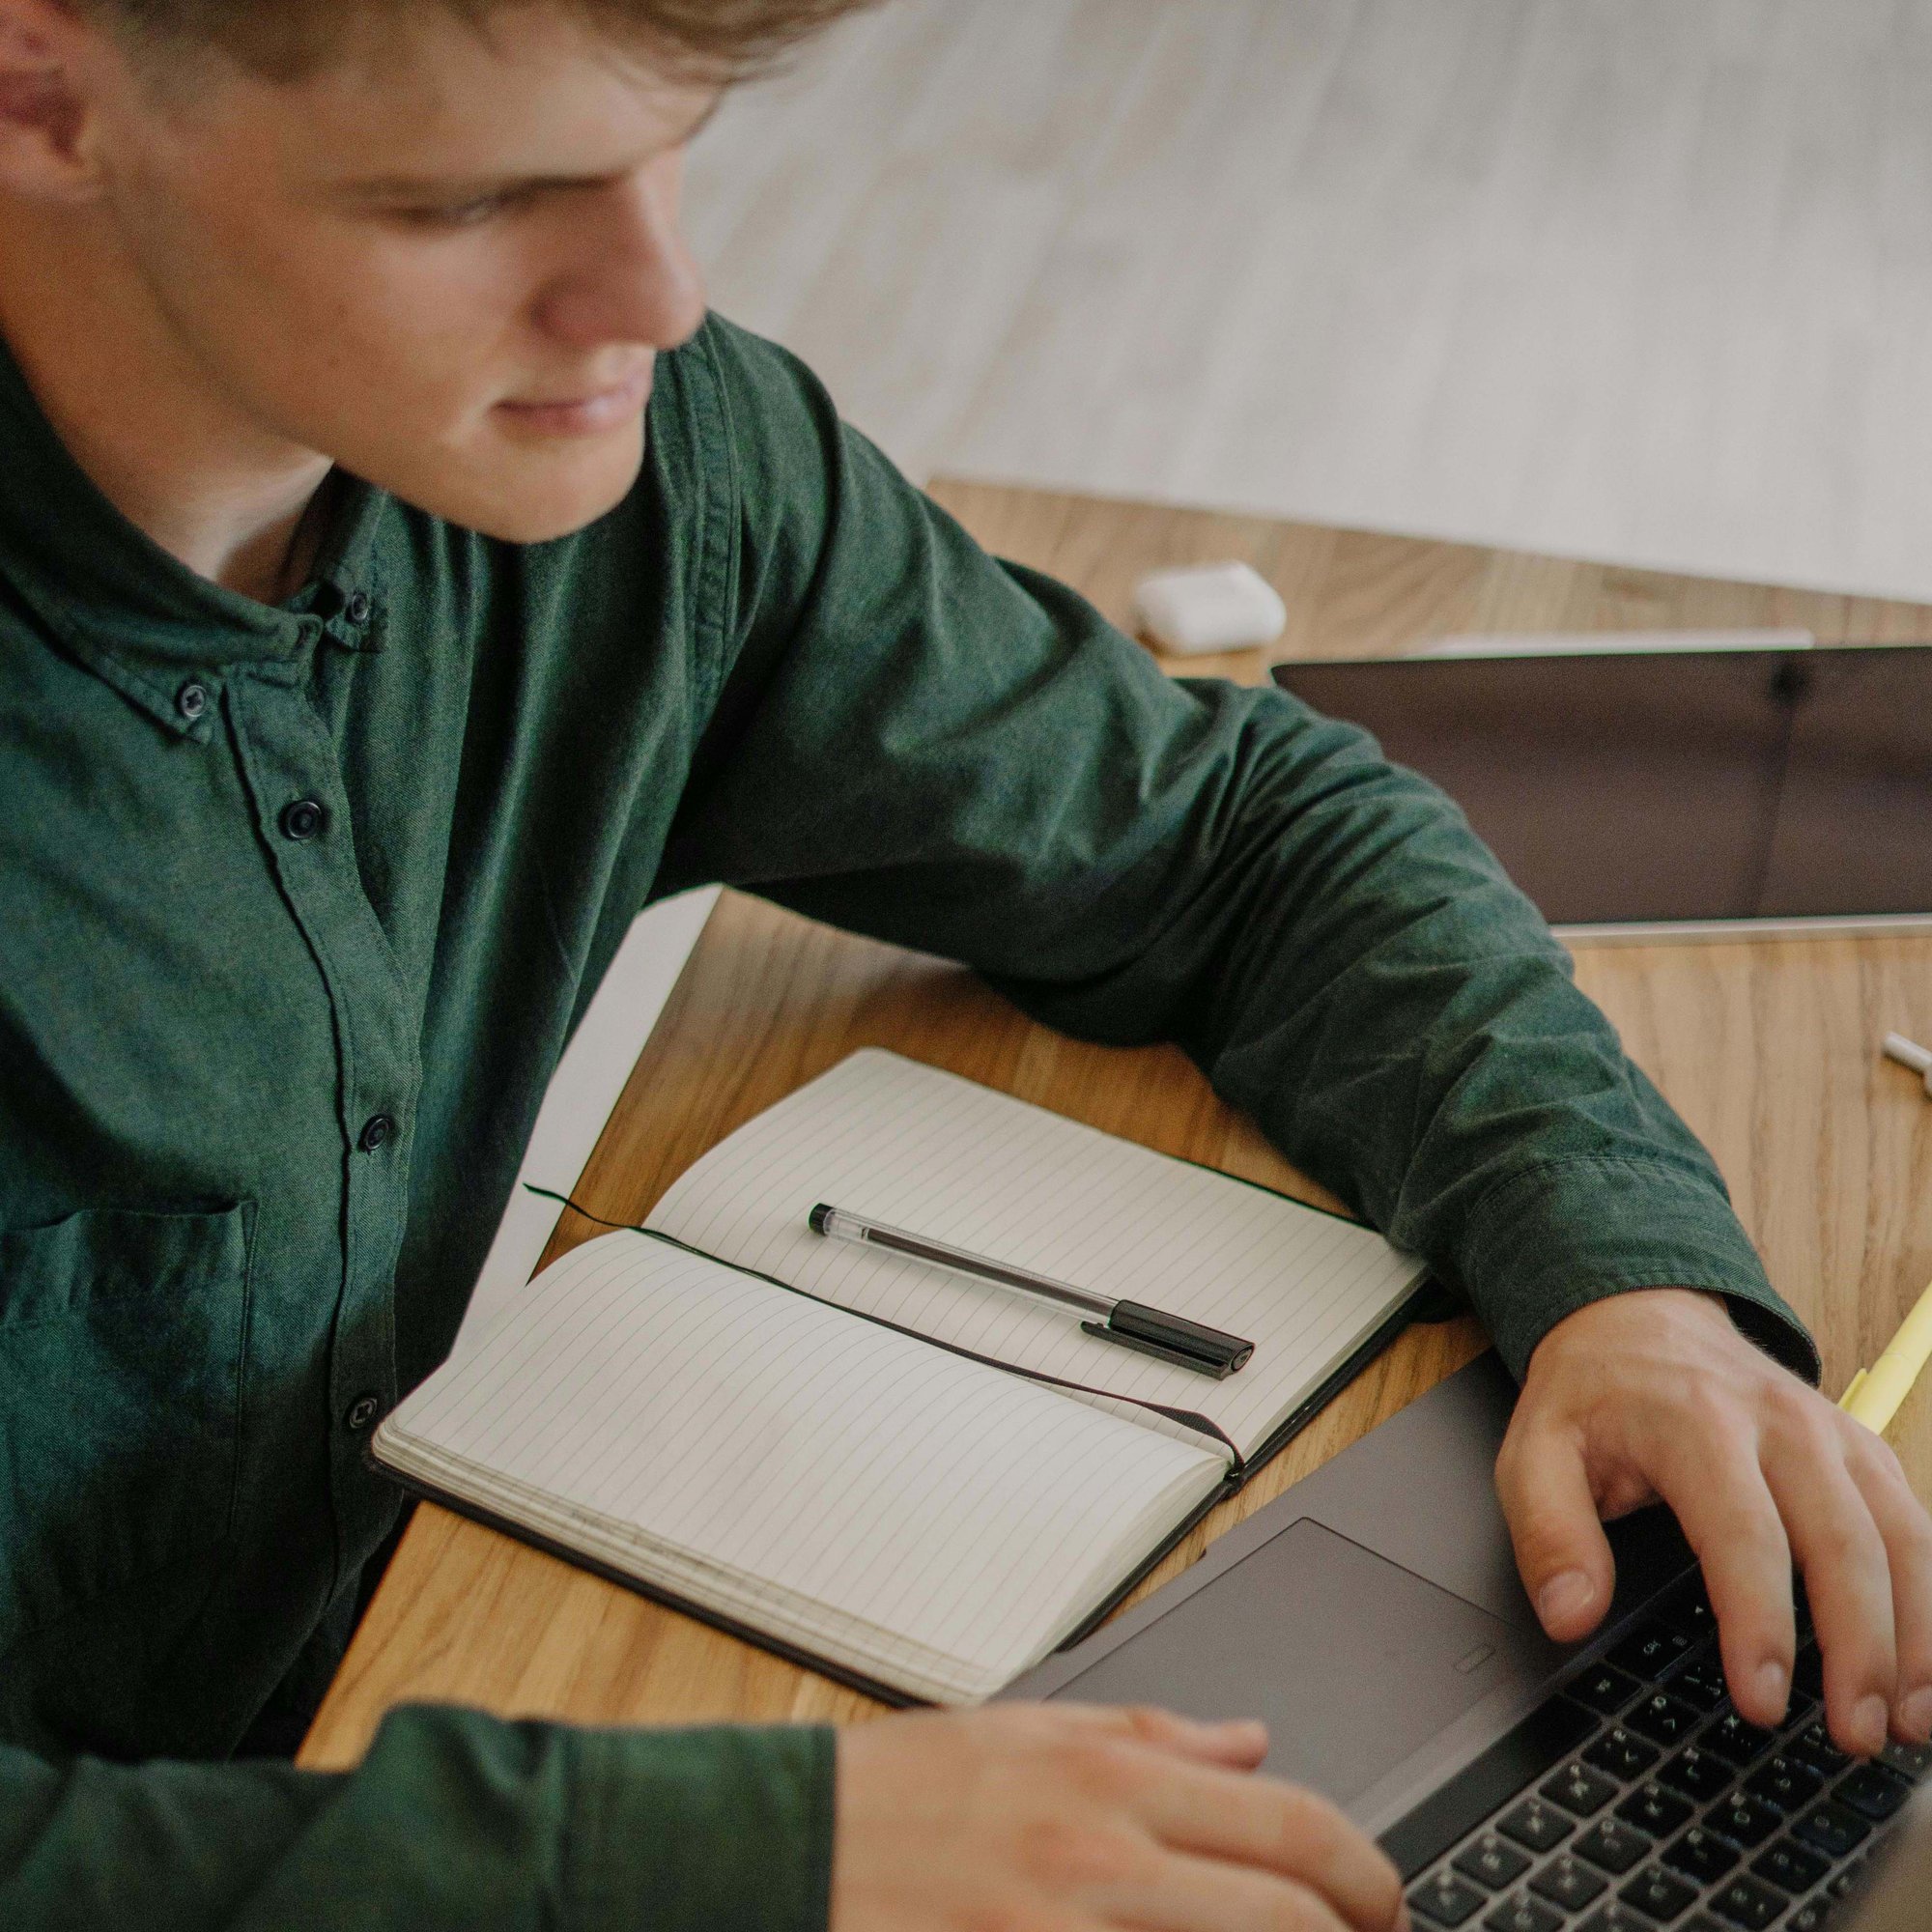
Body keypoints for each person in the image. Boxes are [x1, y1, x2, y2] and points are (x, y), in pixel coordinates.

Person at [0, 0, 1925, 1925]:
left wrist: (1622, 1276)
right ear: (43, 88)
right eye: (475, 199)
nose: (662, 294)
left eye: (676, 137)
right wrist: (778, 1859)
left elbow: (1233, 831)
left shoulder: (636, 478)